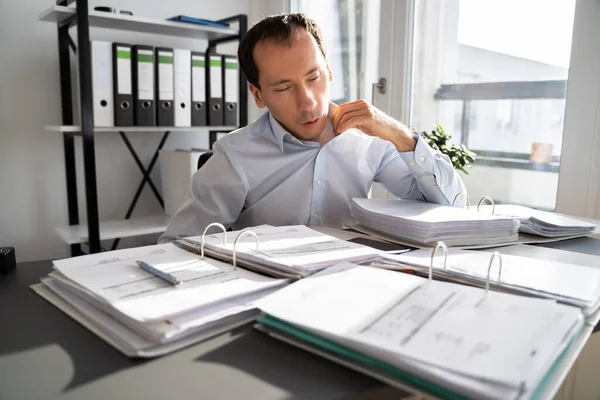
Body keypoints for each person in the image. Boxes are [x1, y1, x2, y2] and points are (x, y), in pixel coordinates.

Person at [159, 13, 466, 242]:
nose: (307, 103)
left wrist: (401, 136)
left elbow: (451, 207)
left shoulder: (369, 138)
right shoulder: (235, 155)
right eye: (283, 88)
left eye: (313, 77)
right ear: (258, 95)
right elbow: (179, 245)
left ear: (330, 71)